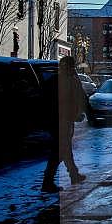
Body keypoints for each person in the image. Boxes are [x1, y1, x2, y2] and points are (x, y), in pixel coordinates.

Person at [41, 56, 87, 192]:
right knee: (60, 151)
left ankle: (73, 175)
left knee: (64, 149)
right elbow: (77, 98)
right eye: (71, 67)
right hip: (62, 121)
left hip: (61, 120)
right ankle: (48, 182)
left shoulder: (57, 80)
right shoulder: (67, 81)